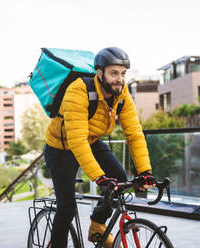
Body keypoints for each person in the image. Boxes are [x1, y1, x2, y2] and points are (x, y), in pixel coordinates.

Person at [44, 47, 156, 248]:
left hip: (91, 141)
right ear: (99, 72)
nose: (119, 79)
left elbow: (134, 133)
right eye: (114, 73)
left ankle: (97, 226)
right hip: (61, 147)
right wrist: (99, 177)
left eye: (123, 73)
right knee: (67, 208)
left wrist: (145, 171)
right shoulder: (78, 90)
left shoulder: (122, 94)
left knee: (119, 179)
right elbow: (77, 140)